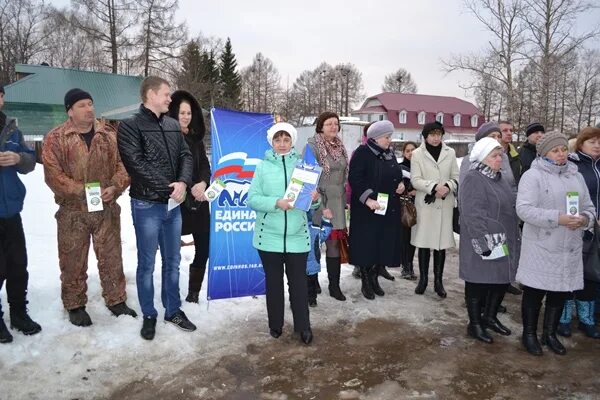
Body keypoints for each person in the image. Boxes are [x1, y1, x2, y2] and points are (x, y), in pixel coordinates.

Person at [43, 88, 136, 327]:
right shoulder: (56, 138)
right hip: (73, 212)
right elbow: (53, 176)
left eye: (91, 103)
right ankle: (75, 304)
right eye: (82, 105)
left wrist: (115, 187)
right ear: (70, 111)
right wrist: (81, 191)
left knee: (111, 256)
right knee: (73, 258)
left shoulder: (108, 135)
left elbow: (123, 166)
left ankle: (116, 299)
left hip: (105, 208)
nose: (89, 109)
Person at [118, 76, 194, 340]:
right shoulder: (130, 126)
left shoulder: (173, 125)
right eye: (166, 94)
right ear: (151, 94)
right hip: (147, 205)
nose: (169, 99)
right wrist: (169, 186)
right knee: (147, 264)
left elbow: (186, 155)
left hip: (173, 207)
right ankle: (149, 314)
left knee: (173, 261)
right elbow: (135, 164)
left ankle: (173, 310)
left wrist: (183, 182)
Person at [516, 132, 595, 356]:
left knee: (560, 291)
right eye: (555, 150)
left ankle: (549, 334)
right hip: (542, 244)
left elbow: (588, 206)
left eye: (563, 149)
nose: (561, 154)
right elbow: (523, 209)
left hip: (569, 244)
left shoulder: (575, 175)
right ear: (544, 153)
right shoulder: (533, 176)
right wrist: (557, 218)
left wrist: (585, 219)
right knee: (535, 291)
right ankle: (529, 334)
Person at [247, 122, 319, 345]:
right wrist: (276, 203)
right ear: (272, 142)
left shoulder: (303, 166)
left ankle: (303, 327)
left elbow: (312, 205)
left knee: (298, 284)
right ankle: (275, 325)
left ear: (292, 141)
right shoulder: (262, 167)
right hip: (269, 237)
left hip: (297, 235)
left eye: (286, 139)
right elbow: (252, 199)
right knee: (274, 284)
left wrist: (315, 200)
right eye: (278, 140)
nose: (282, 144)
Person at [459, 137, 520, 343]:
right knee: (478, 281)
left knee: (499, 280)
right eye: (494, 156)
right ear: (482, 157)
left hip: (502, 238)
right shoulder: (473, 178)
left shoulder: (499, 177)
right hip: (483, 237)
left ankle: (490, 317)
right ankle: (474, 324)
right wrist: (482, 243)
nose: (499, 159)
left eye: (500, 155)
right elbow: (471, 213)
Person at [0, 85, 41, 343]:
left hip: (11, 210)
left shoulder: (12, 129)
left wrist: (18, 158)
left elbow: (30, 161)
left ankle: (18, 313)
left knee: (17, 265)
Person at [348, 120, 406, 300]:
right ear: (376, 137)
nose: (390, 140)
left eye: (390, 136)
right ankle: (366, 279)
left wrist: (401, 184)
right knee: (367, 245)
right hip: (367, 209)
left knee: (382, 243)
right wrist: (368, 199)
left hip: (387, 207)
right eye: (387, 137)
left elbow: (397, 173)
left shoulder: (388, 154)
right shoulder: (362, 152)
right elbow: (355, 179)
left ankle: (374, 277)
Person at [167, 90, 211, 304]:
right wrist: (191, 186)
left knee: (204, 248)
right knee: (172, 251)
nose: (185, 116)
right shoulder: (167, 138)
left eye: (189, 113)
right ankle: (171, 291)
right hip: (177, 201)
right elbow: (170, 170)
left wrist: (202, 183)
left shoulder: (196, 140)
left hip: (200, 200)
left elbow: (204, 165)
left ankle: (193, 292)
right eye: (182, 112)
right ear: (173, 113)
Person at [557, 127, 600, 339]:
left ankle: (586, 319)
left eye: (599, 142)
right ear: (581, 143)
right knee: (570, 272)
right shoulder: (573, 166)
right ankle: (563, 318)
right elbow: (567, 195)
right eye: (592, 141)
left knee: (591, 274)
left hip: (596, 230)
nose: (597, 145)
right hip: (576, 226)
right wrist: (580, 217)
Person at [410, 121, 459, 298]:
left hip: (444, 203)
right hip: (426, 203)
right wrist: (433, 187)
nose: (436, 138)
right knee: (424, 243)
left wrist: (448, 186)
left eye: (439, 134)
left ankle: (438, 281)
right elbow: (415, 180)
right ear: (425, 136)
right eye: (432, 134)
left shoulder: (450, 152)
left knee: (441, 245)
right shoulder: (417, 154)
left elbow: (456, 176)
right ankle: (423, 279)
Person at [306, 112, 348, 301]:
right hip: (318, 200)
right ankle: (312, 284)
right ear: (320, 127)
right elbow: (307, 180)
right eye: (329, 124)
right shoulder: (312, 146)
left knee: (333, 244)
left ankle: (334, 286)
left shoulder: (340, 146)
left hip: (337, 202)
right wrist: (322, 206)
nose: (333, 127)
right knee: (314, 244)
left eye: (336, 124)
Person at [399, 141, 418, 280]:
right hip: (406, 207)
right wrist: (409, 190)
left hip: (421, 206)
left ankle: (408, 264)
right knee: (406, 238)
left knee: (415, 238)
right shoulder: (400, 168)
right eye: (408, 151)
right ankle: (407, 266)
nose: (411, 153)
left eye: (413, 150)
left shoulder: (422, 167)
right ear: (404, 153)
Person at [306, 210, 332, 307]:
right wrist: (326, 221)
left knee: (306, 284)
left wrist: (326, 220)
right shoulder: (315, 229)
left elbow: (324, 234)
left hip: (309, 263)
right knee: (308, 283)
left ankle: (311, 299)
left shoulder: (315, 229)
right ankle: (311, 300)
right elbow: (325, 233)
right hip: (310, 263)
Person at [499, 120, 521, 187]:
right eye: (505, 130)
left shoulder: (516, 155)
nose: (509, 133)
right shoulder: (491, 155)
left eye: (511, 130)